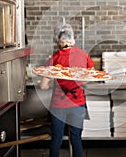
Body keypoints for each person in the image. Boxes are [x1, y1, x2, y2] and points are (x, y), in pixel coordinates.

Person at [40, 23, 94, 157]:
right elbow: (91, 77)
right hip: (78, 104)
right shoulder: (83, 55)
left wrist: (56, 83)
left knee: (56, 139)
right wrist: (76, 82)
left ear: (58, 39)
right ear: (72, 37)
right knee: (76, 139)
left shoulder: (54, 58)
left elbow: (43, 86)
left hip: (58, 106)